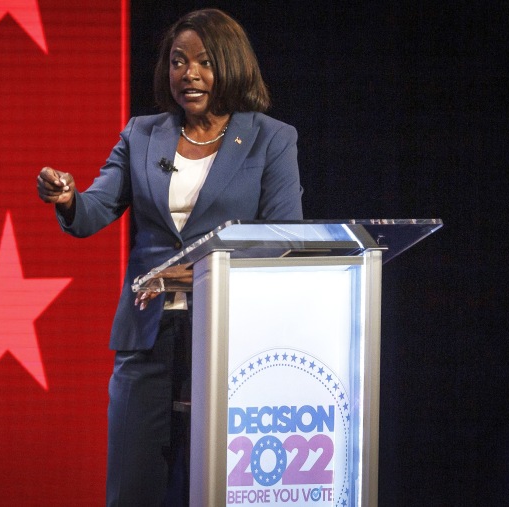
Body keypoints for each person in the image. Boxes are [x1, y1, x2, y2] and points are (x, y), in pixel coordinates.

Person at [37, 8, 303, 506]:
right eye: (178, 62)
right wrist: (69, 199)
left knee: (219, 489)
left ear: (231, 65)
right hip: (148, 337)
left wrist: (203, 271)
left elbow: (278, 240)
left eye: (204, 62)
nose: (190, 74)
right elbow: (94, 209)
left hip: (231, 340)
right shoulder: (141, 134)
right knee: (133, 489)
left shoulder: (271, 139)